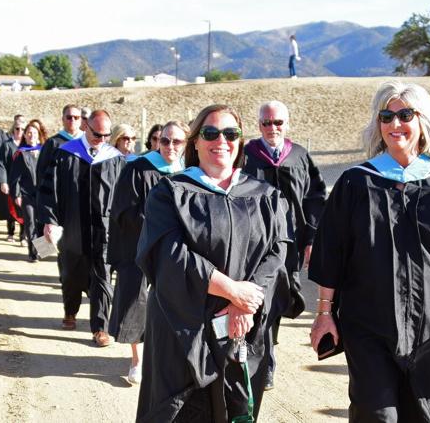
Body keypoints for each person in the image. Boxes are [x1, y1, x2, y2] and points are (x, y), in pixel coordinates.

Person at [309, 82, 430, 421]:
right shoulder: (356, 183)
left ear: (423, 120)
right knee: (375, 414)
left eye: (405, 115)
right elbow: (331, 254)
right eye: (387, 116)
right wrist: (324, 313)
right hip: (369, 322)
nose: (395, 124)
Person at [136, 104, 288, 421]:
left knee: (235, 407)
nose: (221, 140)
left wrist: (245, 303)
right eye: (211, 133)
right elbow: (169, 253)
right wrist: (231, 290)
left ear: (241, 141)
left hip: (241, 324)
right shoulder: (171, 192)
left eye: (231, 133)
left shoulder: (264, 195)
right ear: (195, 142)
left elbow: (278, 251)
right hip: (182, 327)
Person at [241, 100, 327, 390]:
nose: (272, 128)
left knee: (279, 297)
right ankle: (254, 355)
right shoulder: (246, 155)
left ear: (286, 123)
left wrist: (312, 238)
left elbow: (315, 198)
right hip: (253, 243)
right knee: (254, 295)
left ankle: (267, 353)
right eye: (266, 122)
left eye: (278, 122)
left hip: (290, 242)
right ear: (258, 125)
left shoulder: (299, 156)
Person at [108, 120, 187, 385]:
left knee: (172, 305)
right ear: (156, 141)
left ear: (186, 144)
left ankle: (165, 359)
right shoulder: (138, 168)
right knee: (138, 303)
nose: (170, 147)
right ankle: (137, 360)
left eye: (177, 141)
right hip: (141, 248)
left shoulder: (191, 173)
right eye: (165, 141)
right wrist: (158, 224)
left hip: (178, 252)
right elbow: (123, 210)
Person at [39, 110, 126, 346]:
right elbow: (49, 190)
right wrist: (49, 220)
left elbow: (123, 197)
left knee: (103, 277)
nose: (102, 139)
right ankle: (70, 311)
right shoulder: (65, 153)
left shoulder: (114, 158)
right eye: (98, 134)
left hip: (104, 228)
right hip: (72, 226)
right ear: (86, 127)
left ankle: (100, 328)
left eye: (107, 135)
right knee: (71, 274)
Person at [34, 104, 86, 233]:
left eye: (76, 117)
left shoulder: (87, 142)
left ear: (81, 120)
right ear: (62, 119)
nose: (72, 120)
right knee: (47, 233)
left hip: (82, 197)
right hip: (57, 197)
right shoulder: (53, 143)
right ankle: (38, 253)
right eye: (69, 117)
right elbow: (41, 172)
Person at [8, 120, 45, 255]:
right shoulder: (21, 153)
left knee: (42, 222)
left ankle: (43, 250)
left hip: (43, 194)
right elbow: (14, 178)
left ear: (38, 134)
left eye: (34, 133)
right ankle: (33, 252)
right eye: (29, 133)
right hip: (27, 194)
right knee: (30, 222)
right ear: (25, 135)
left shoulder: (45, 151)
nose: (31, 135)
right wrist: (16, 195)